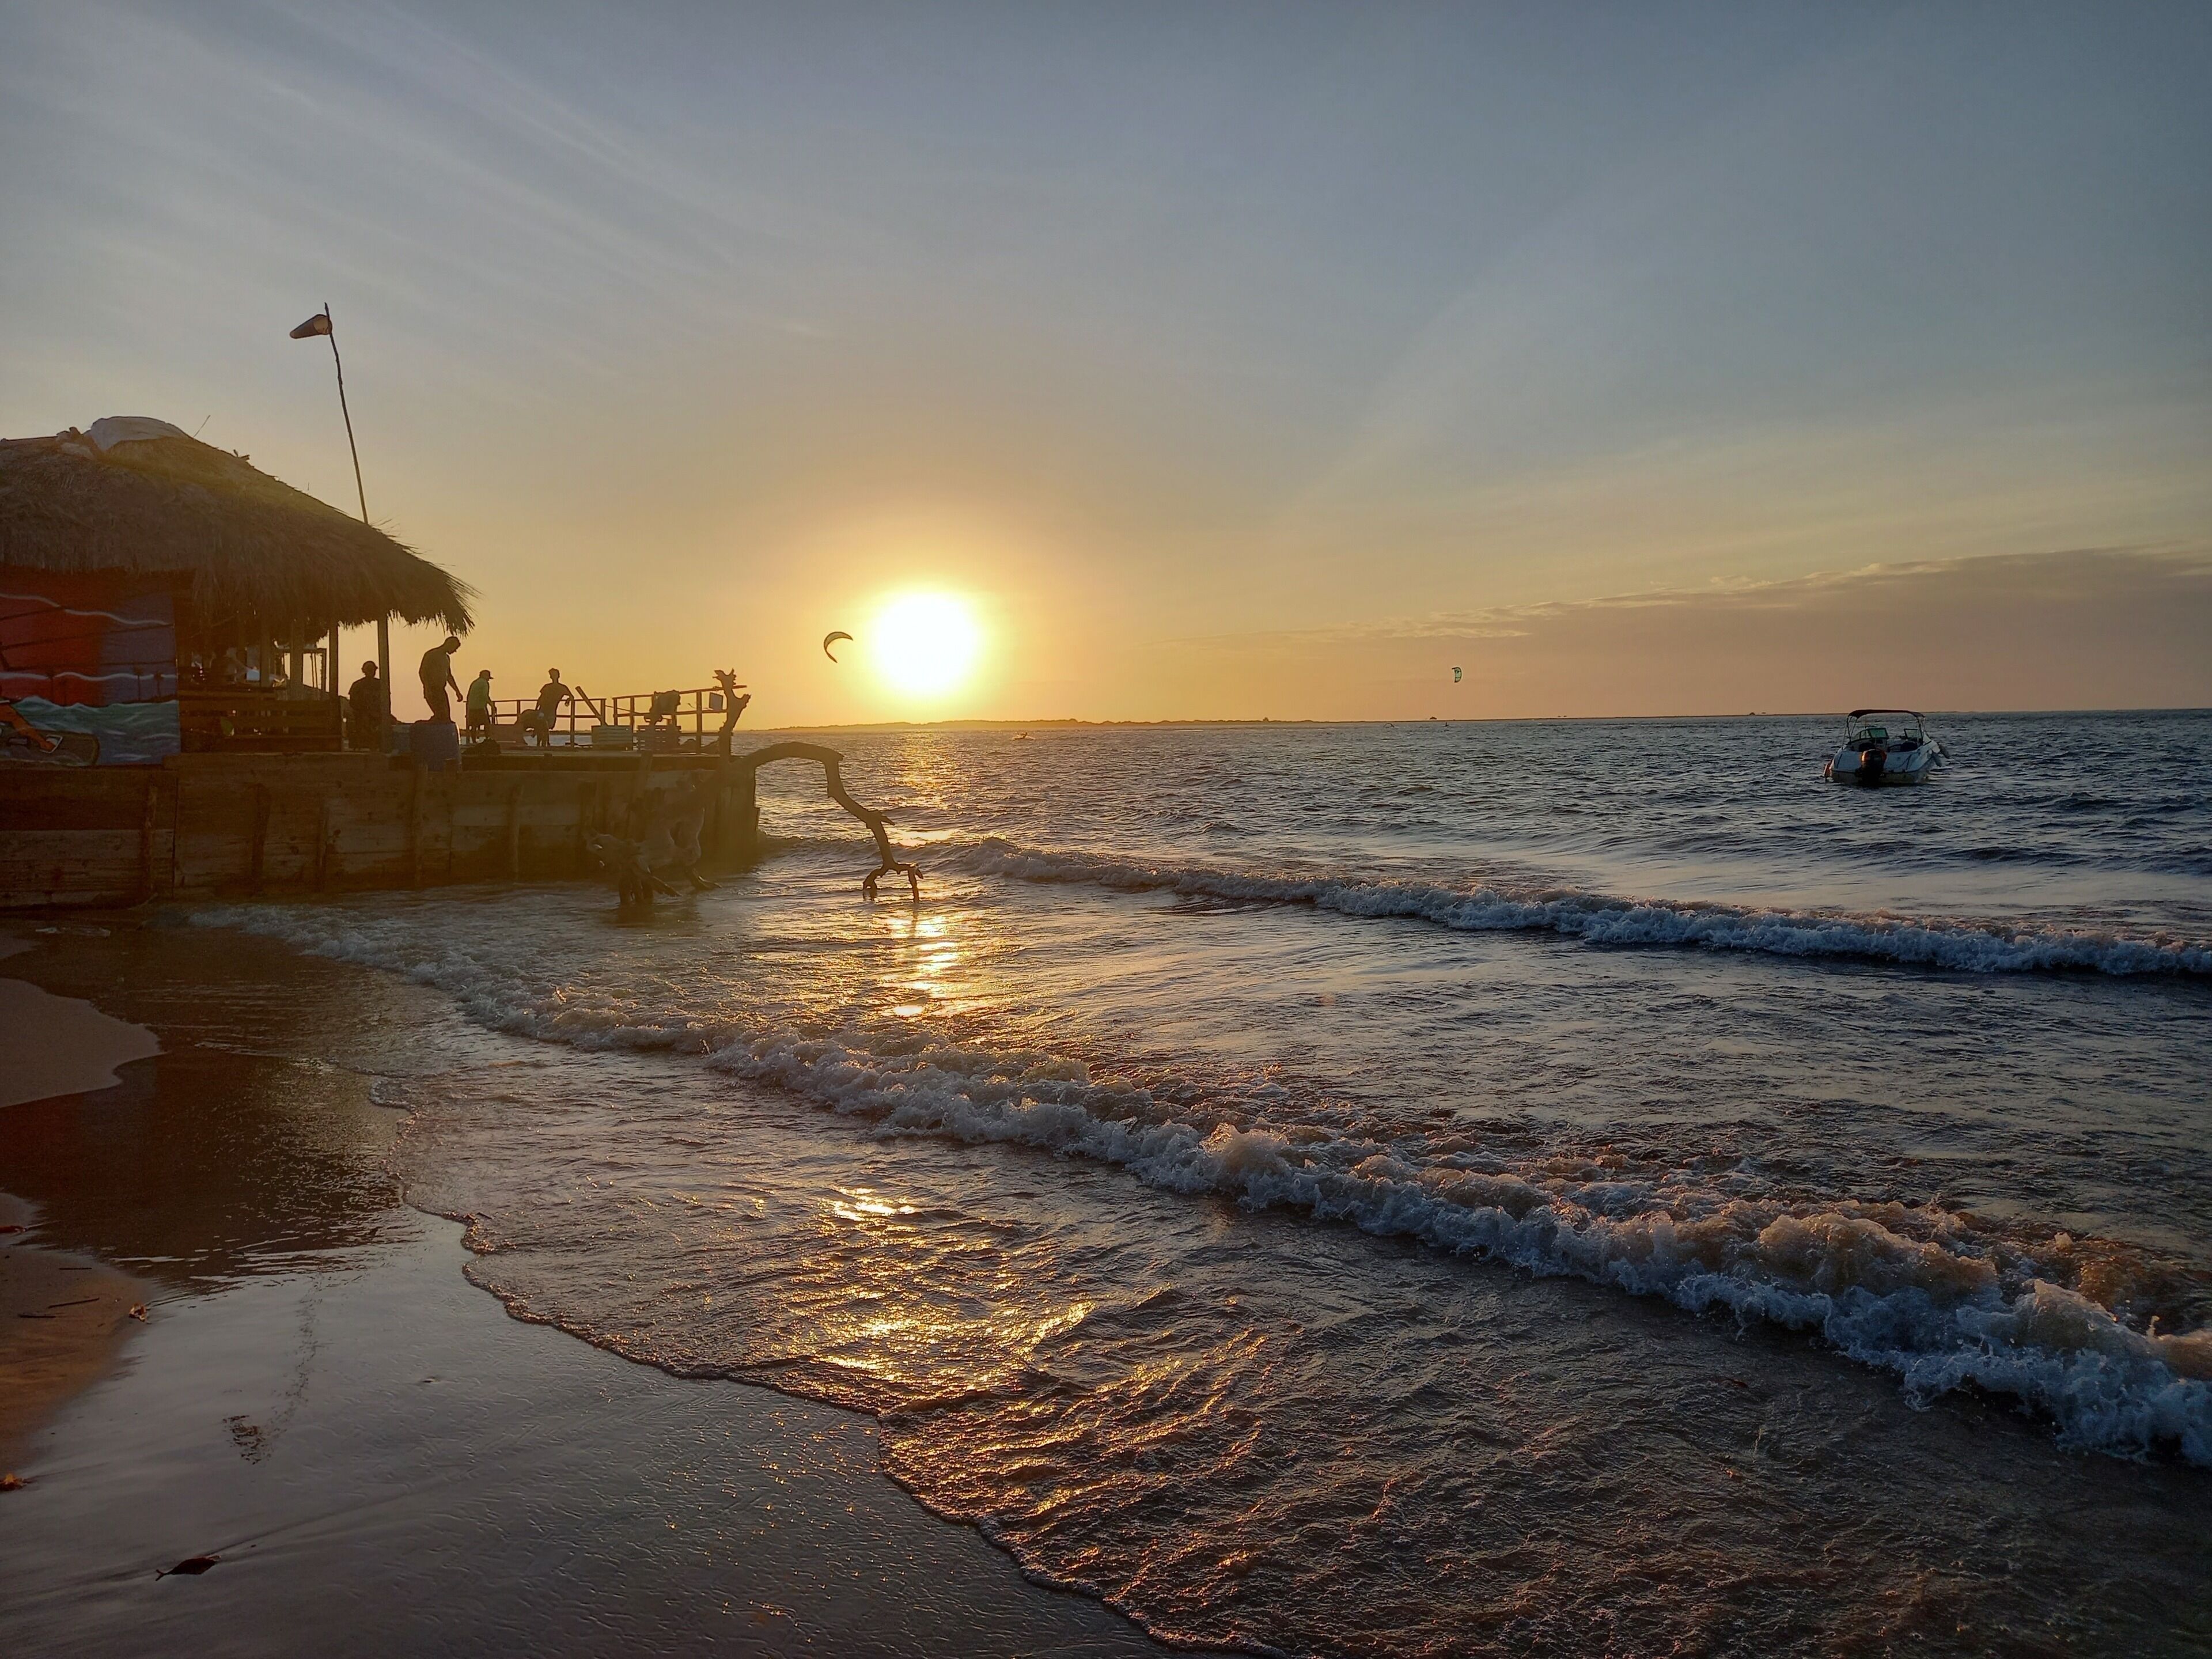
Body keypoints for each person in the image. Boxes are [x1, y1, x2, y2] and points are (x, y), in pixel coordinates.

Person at [521, 668, 572, 747]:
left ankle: (544, 743)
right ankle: (540, 743)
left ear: (558, 676)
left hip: (551, 711)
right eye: (552, 675)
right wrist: (536, 708)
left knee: (544, 724)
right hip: (542, 710)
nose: (553, 677)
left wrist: (568, 700)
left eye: (555, 675)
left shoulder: (562, 688)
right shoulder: (547, 687)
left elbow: (571, 696)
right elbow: (540, 698)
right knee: (538, 722)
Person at [418, 635, 461, 724]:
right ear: (449, 644)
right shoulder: (432, 654)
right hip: (432, 688)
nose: (455, 651)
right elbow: (422, 672)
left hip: (441, 689)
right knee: (440, 715)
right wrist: (427, 687)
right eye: (455, 648)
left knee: (446, 718)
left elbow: (449, 676)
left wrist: (457, 691)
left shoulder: (447, 658)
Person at [346, 661, 384, 751]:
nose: (372, 672)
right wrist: (364, 713)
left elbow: (387, 701)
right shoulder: (358, 685)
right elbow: (353, 703)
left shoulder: (380, 684)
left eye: (373, 670)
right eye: (370, 670)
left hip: (378, 716)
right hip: (362, 716)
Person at [464, 668, 495, 742]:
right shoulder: (484, 683)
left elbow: (468, 696)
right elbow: (485, 695)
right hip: (480, 707)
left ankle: (474, 741)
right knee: (487, 724)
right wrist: (492, 705)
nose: (488, 680)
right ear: (485, 676)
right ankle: (488, 740)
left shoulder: (475, 683)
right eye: (488, 678)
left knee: (474, 725)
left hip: (471, 707)